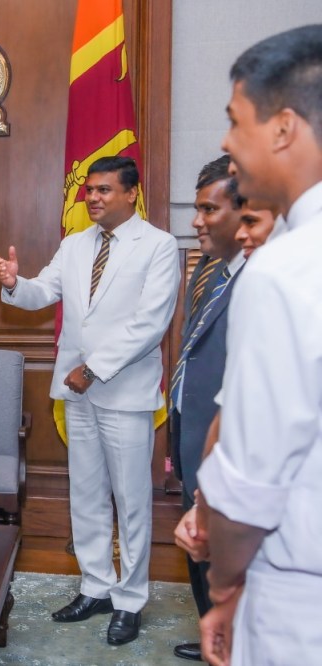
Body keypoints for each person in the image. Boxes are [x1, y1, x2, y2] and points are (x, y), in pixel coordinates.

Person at [0, 156, 179, 646]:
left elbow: (150, 324)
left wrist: (93, 368)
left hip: (123, 391)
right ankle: (96, 586)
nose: (93, 197)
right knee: (88, 495)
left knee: (131, 501)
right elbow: (41, 293)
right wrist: (14, 283)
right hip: (79, 394)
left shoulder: (158, 246)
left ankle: (130, 599)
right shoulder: (74, 245)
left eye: (104, 190)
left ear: (131, 193)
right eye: (89, 190)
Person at [195, 25, 322, 666]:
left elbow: (250, 485)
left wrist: (226, 583)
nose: (225, 141)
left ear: (283, 129)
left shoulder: (287, 269)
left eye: (235, 120)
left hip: (300, 604)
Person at [168, 156, 246, 663]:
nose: (196, 221)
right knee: (202, 556)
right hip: (194, 435)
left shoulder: (262, 280)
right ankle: (212, 634)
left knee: (228, 563)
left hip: (229, 451)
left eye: (208, 209)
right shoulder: (212, 270)